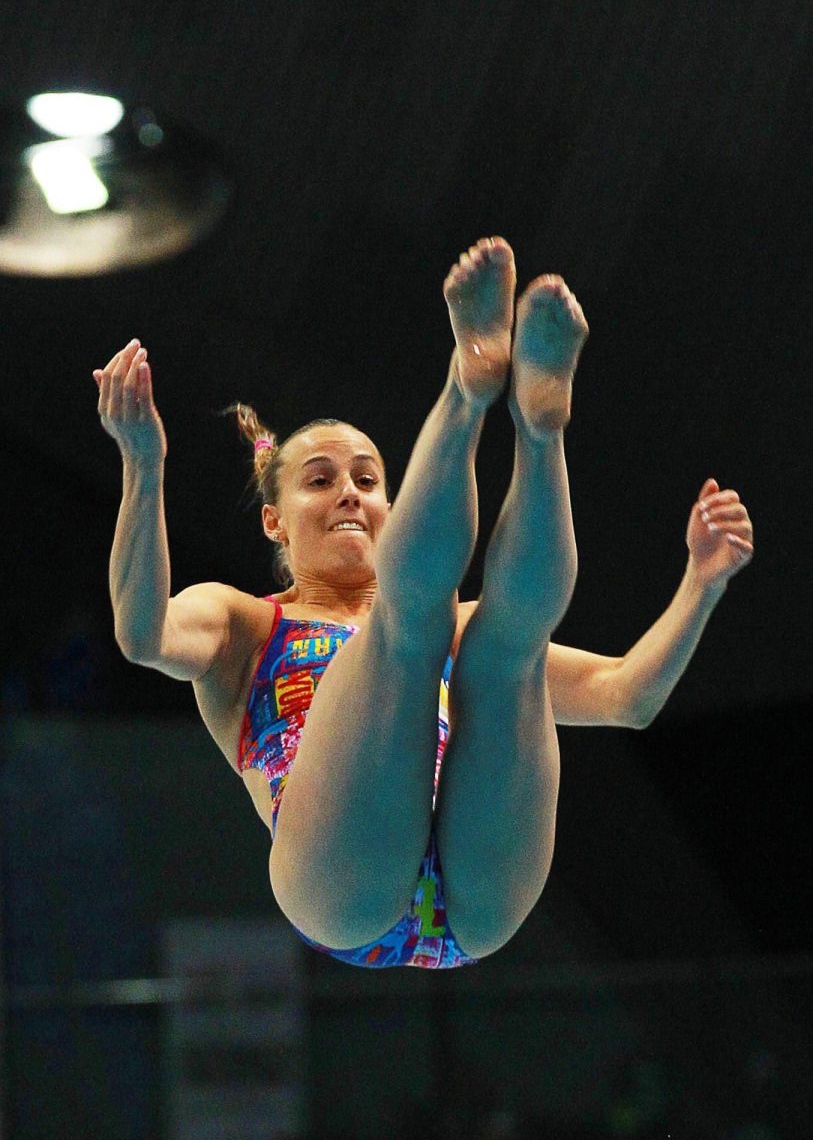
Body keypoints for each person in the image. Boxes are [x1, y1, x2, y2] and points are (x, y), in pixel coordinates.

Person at [93, 236, 754, 970]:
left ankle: (539, 427)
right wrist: (142, 464)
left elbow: (627, 695)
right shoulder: (243, 622)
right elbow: (141, 632)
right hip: (338, 886)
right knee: (414, 625)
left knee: (506, 645)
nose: (349, 491)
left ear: (393, 505)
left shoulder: (450, 623)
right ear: (273, 521)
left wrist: (701, 584)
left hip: (475, 903)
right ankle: (468, 382)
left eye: (368, 479)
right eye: (319, 480)